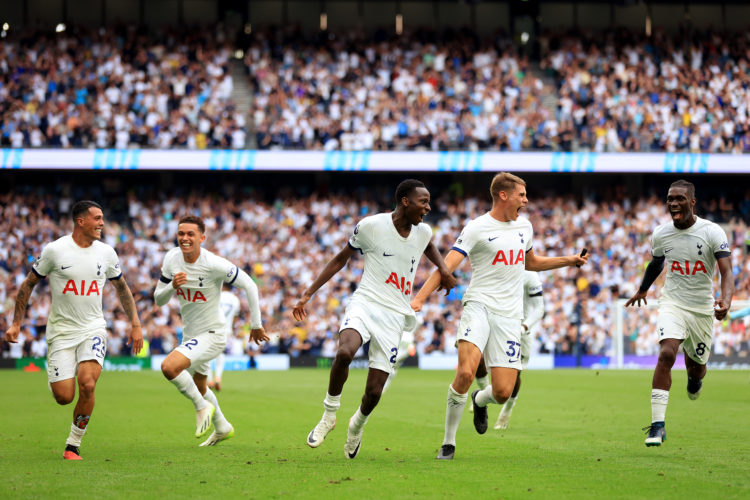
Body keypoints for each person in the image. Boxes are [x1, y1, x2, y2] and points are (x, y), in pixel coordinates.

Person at [411, 172, 588, 460]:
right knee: (466, 372)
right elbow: (447, 267)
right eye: (522, 195)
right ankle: (448, 443)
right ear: (504, 195)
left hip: (510, 315)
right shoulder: (477, 228)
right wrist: (418, 299)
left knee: (504, 392)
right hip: (479, 305)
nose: (526, 200)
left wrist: (569, 260)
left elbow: (531, 262)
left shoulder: (525, 227)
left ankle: (480, 400)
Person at [293, 179, 456, 459]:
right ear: (405, 201)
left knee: (374, 392)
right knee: (345, 351)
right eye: (423, 202)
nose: (428, 208)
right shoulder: (371, 226)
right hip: (365, 303)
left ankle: (356, 426)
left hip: (394, 315)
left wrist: (444, 269)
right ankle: (329, 414)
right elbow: (339, 259)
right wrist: (308, 293)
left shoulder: (423, 231)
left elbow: (428, 245)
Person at [4, 200, 143, 460]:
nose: (102, 223)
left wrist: (136, 324)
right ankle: (57, 378)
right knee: (64, 397)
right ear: (81, 221)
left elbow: (122, 288)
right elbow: (27, 285)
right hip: (61, 333)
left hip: (93, 328)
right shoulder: (55, 250)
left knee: (88, 384)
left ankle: (72, 445)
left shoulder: (107, 253)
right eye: (97, 218)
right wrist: (16, 323)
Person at [625, 180, 733, 447]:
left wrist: (726, 300)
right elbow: (657, 262)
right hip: (672, 303)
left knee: (696, 370)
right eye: (670, 198)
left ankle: (694, 380)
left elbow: (726, 271)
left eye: (680, 198)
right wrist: (642, 289)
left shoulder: (712, 231)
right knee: (666, 353)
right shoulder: (661, 233)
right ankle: (657, 426)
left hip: (701, 309)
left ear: (692, 202)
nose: (673, 203)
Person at [154, 215, 269, 447]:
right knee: (199, 386)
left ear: (202, 238)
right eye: (181, 233)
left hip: (213, 334)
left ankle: (201, 406)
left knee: (169, 367)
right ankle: (223, 427)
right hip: (191, 334)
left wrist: (256, 324)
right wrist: (171, 286)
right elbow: (158, 300)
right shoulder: (171, 259)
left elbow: (249, 284)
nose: (184, 238)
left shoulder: (214, 263)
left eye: (190, 234)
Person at [467, 270, 544, 430]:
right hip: (493, 323)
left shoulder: (530, 276)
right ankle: (483, 398)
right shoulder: (494, 266)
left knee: (515, 375)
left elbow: (539, 309)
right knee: (477, 360)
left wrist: (524, 327)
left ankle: (506, 412)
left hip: (519, 330)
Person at [207, 284, 242, 391]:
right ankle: (218, 377)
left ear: (222, 286)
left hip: (212, 328)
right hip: (226, 330)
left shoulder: (216, 296)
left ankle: (210, 380)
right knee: (220, 354)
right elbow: (236, 317)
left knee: (206, 355)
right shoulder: (236, 300)